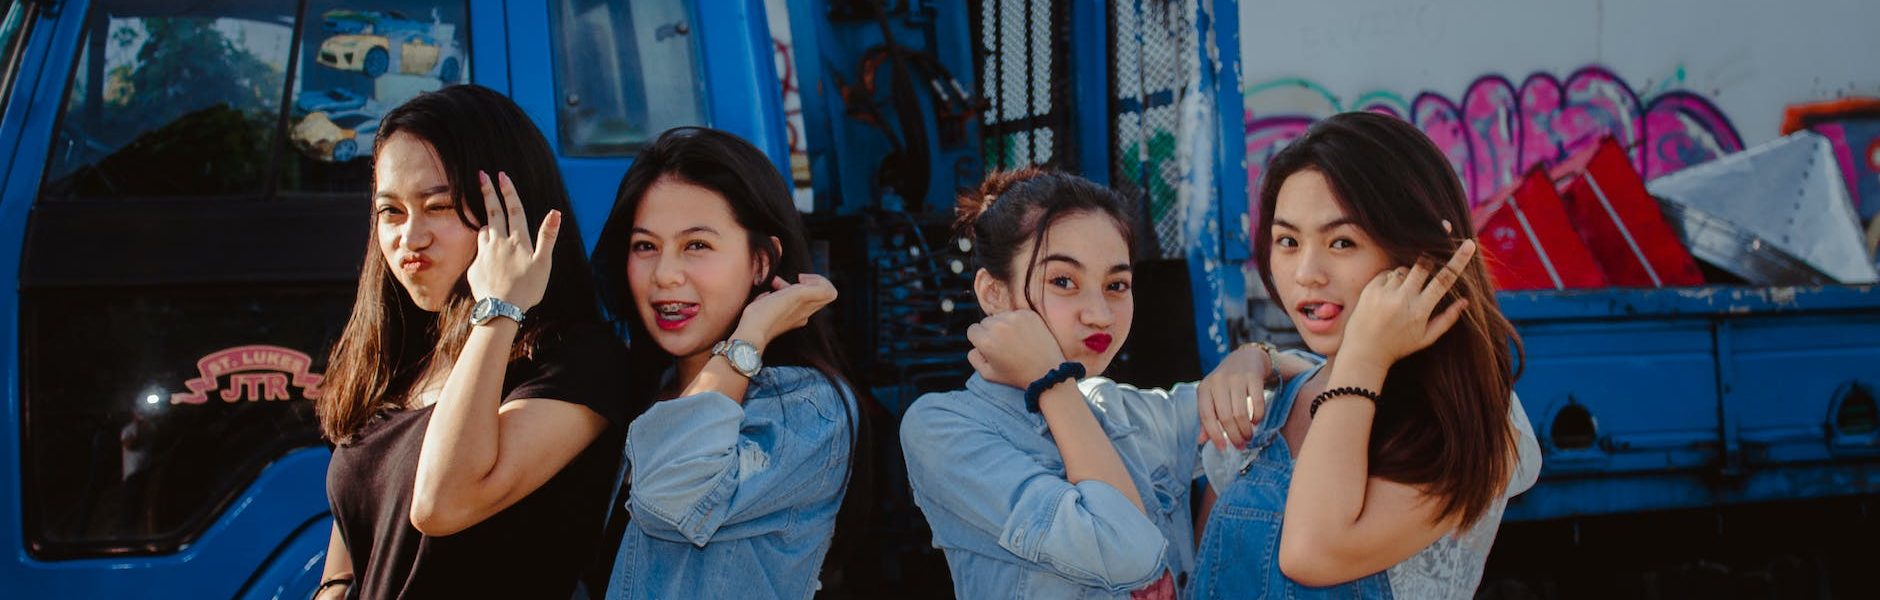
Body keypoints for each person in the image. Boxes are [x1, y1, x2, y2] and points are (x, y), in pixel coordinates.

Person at [898, 168, 1313, 598]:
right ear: (993, 294)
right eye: (1063, 281)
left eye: (1116, 285)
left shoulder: (1133, 416)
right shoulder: (943, 429)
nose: (1099, 313)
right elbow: (1127, 556)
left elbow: (1319, 388)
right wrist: (1054, 384)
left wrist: (1258, 359)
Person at [1190, 111, 1542, 599]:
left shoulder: (1476, 425)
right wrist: (1260, 356)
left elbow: (1311, 553)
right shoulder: (1267, 405)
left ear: (1417, 256)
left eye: (1342, 242)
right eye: (1288, 241)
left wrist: (1364, 358)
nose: (1307, 272)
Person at [315, 84, 633, 599]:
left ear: (510, 212)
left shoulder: (576, 361)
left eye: (438, 207)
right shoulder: (404, 357)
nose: (409, 238)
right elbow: (353, 548)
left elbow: (442, 502)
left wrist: (500, 308)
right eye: (391, 211)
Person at [591, 127, 865, 599]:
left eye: (696, 245)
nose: (665, 275)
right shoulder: (651, 387)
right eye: (645, 246)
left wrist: (751, 334)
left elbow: (671, 495)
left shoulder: (802, 405)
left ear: (762, 262)